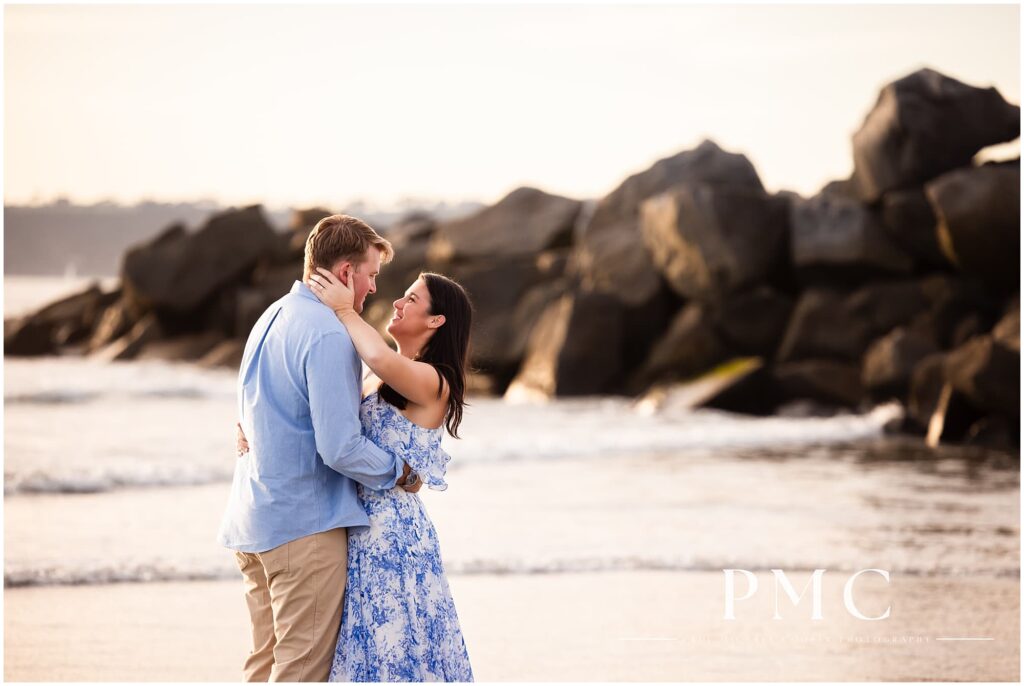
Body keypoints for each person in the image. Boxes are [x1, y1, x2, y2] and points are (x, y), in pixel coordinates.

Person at [218, 215, 419, 682]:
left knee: (263, 666)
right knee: (300, 674)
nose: (372, 289)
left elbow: (251, 410)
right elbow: (340, 447)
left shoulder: (272, 315)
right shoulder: (329, 333)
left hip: (253, 520)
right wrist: (401, 472)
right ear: (346, 272)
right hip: (301, 530)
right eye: (371, 275)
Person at [307, 265, 475, 682]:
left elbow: (378, 354)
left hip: (393, 537)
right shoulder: (381, 375)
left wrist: (346, 312)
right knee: (369, 655)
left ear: (436, 321)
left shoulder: (436, 382)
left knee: (396, 654)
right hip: (362, 530)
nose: (397, 303)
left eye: (411, 299)